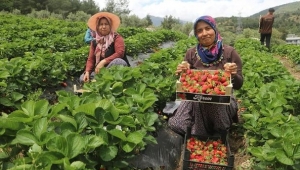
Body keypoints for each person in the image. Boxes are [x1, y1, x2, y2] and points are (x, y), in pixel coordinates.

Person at [168, 15, 243, 136]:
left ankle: (208, 131)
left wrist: (233, 75)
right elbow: (186, 84)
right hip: (195, 98)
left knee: (212, 102)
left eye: (208, 28)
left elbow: (239, 85)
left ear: (214, 29)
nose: (204, 33)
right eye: (199, 30)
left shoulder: (229, 52)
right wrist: (183, 71)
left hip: (222, 100)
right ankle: (200, 130)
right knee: (176, 123)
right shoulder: (191, 53)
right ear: (196, 34)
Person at [80, 12, 130, 83]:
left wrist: (103, 61)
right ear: (97, 27)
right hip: (101, 71)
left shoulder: (117, 37)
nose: (103, 27)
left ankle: (99, 81)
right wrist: (87, 71)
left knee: (119, 61)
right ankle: (99, 81)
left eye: (106, 24)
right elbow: (91, 59)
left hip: (113, 68)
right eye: (101, 24)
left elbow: (120, 53)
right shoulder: (95, 41)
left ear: (110, 26)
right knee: (82, 78)